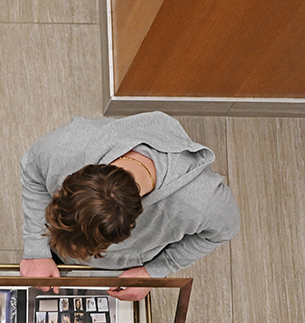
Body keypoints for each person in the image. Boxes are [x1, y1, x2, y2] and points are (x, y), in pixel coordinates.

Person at [18, 111, 240, 301]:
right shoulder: (70, 146)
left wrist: (151, 273)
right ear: (74, 177)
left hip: (121, 271)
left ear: (132, 226)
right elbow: (32, 169)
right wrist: (37, 249)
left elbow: (225, 230)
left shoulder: (199, 202)